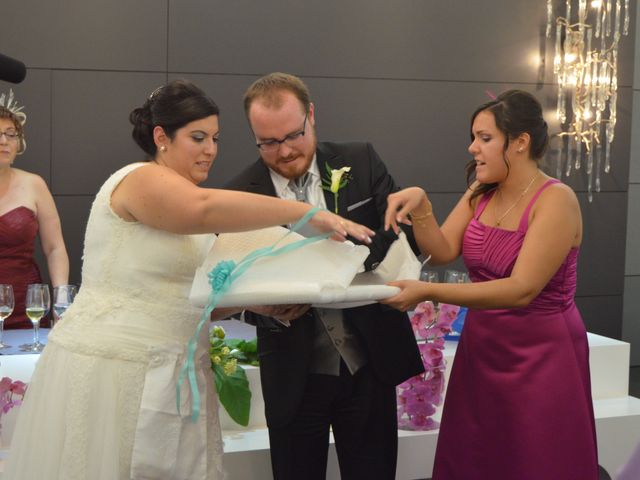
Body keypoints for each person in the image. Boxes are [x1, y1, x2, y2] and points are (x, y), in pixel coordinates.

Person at [4, 79, 373, 480]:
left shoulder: (183, 201)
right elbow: (202, 208)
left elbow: (189, 297)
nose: (210, 149)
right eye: (198, 137)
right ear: (161, 136)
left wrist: (252, 303)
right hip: (118, 370)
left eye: (215, 138)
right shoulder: (139, 179)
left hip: (177, 373)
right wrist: (304, 213)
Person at [382, 89, 598, 479]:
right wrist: (423, 205)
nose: (472, 148)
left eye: (484, 138)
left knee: (536, 458)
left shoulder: (556, 201)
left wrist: (429, 291)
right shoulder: (482, 191)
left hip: (542, 356)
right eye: (474, 137)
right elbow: (444, 249)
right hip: (482, 350)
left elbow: (521, 290)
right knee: (478, 457)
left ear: (519, 143)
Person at [225, 72, 424, 480]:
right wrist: (267, 309)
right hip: (293, 374)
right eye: (269, 142)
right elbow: (229, 282)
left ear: (311, 115)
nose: (284, 151)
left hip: (368, 364)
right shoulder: (238, 194)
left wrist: (353, 256)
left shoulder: (361, 159)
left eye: (293, 135)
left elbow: (400, 232)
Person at [0, 90, 69, 329]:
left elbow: (54, 247)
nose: (4, 141)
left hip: (28, 309)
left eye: (11, 134)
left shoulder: (34, 184)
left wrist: (62, 300)